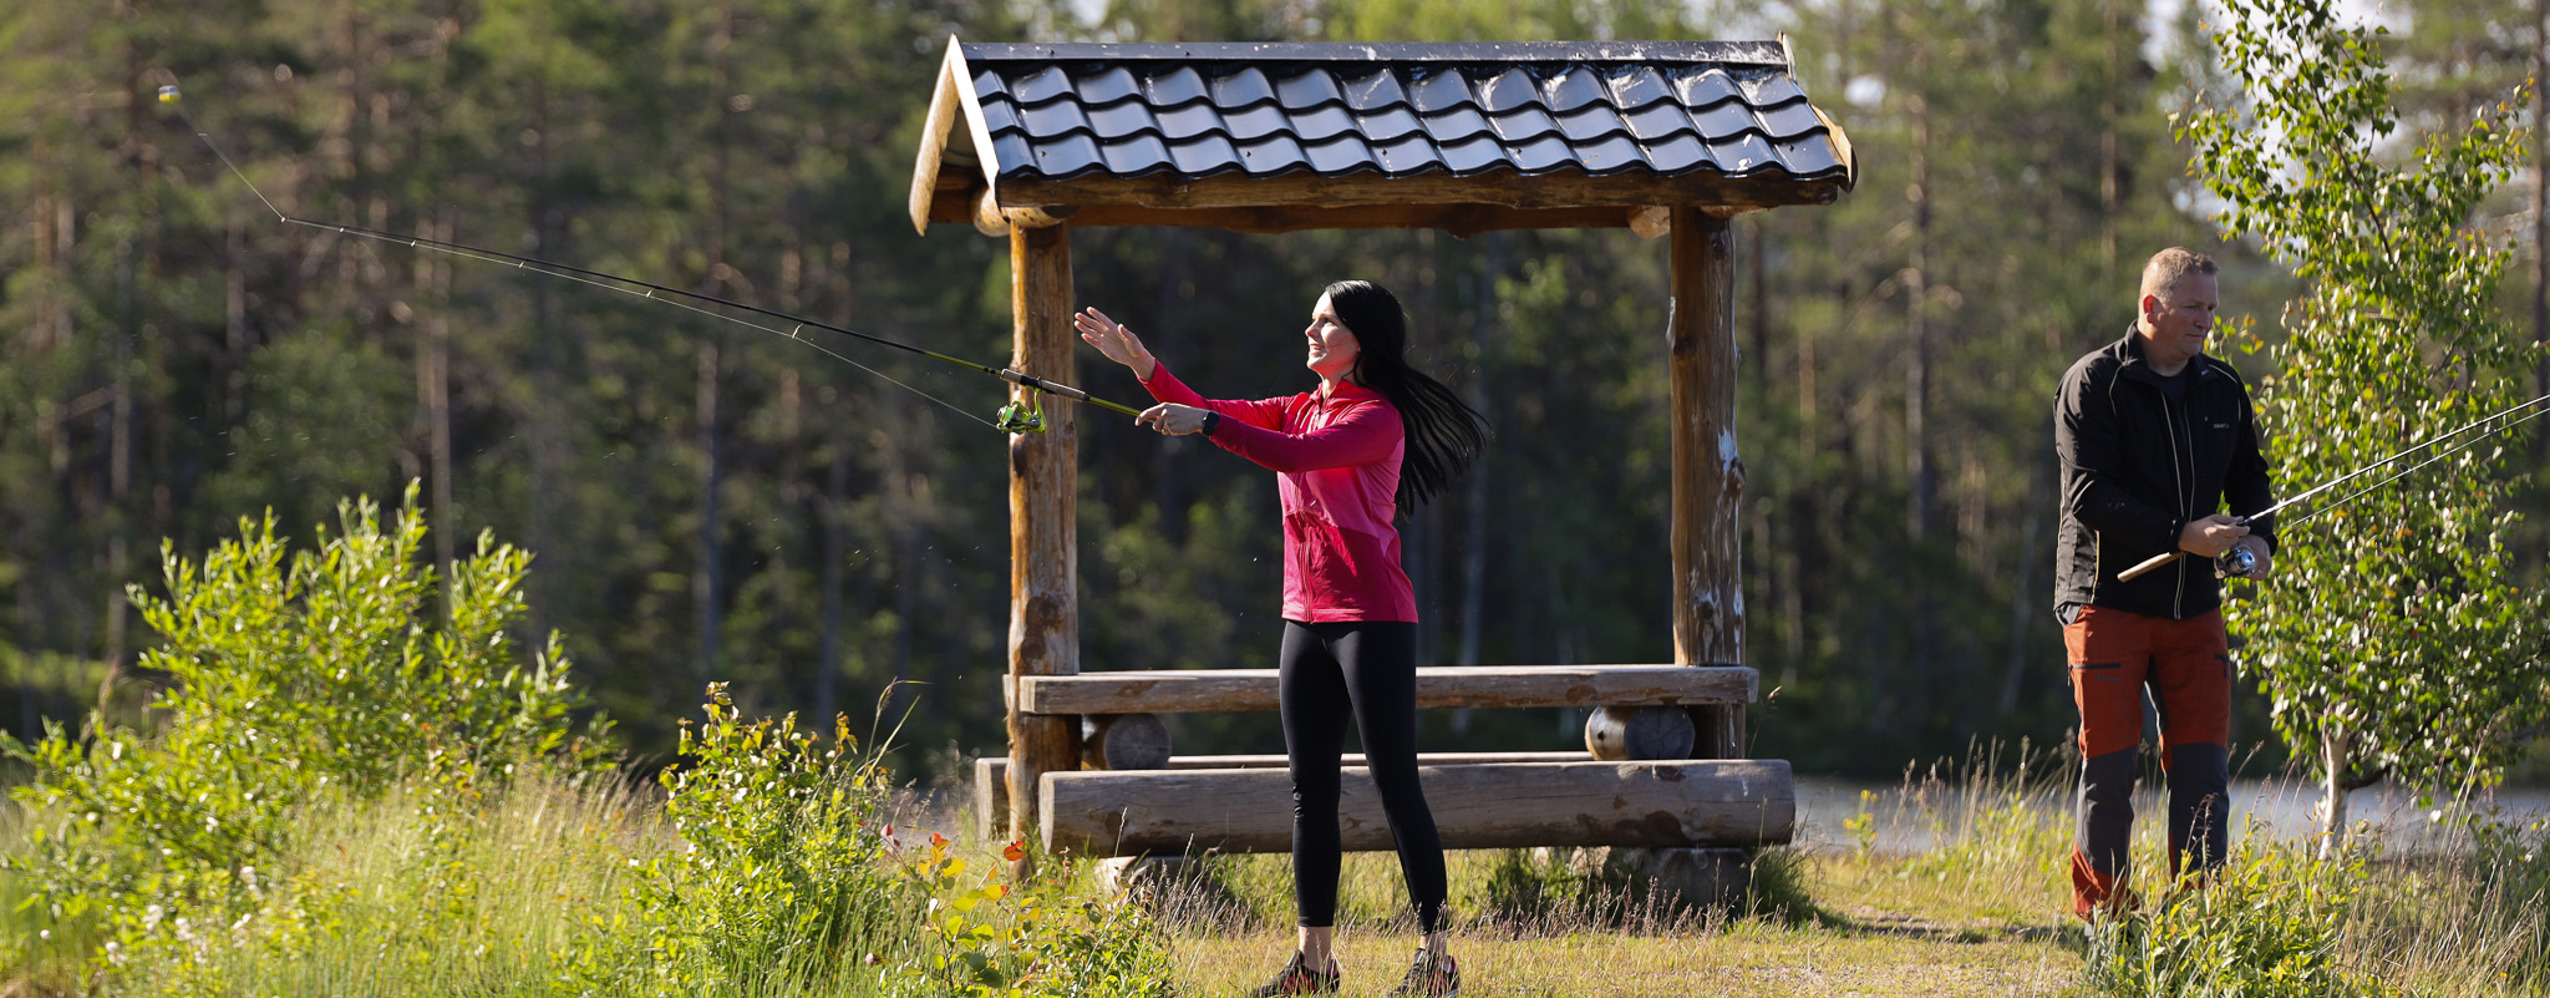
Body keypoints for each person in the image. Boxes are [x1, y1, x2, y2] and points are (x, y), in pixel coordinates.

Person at [1076, 280, 1487, 997]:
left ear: (1361, 340)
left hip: (1373, 620)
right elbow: (1218, 413)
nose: (1310, 330)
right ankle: (1314, 962)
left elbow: (1289, 456)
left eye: (1325, 322)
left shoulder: (1376, 418)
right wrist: (1141, 365)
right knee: (1310, 793)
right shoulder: (1301, 407)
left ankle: (1437, 959)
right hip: (1306, 619)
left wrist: (1202, 425)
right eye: (1313, 318)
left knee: (1396, 786)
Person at [2052, 246, 2276, 921]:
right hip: (2105, 602)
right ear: (2152, 307)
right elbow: (2089, 495)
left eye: (2212, 306)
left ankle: (2198, 922)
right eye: (2193, 307)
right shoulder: (2094, 383)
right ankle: (2108, 924)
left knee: (2204, 775)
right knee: (2112, 774)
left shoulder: (2223, 388)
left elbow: (2252, 481)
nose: (2207, 319)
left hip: (2194, 610)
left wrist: (2262, 541)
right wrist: (2183, 534)